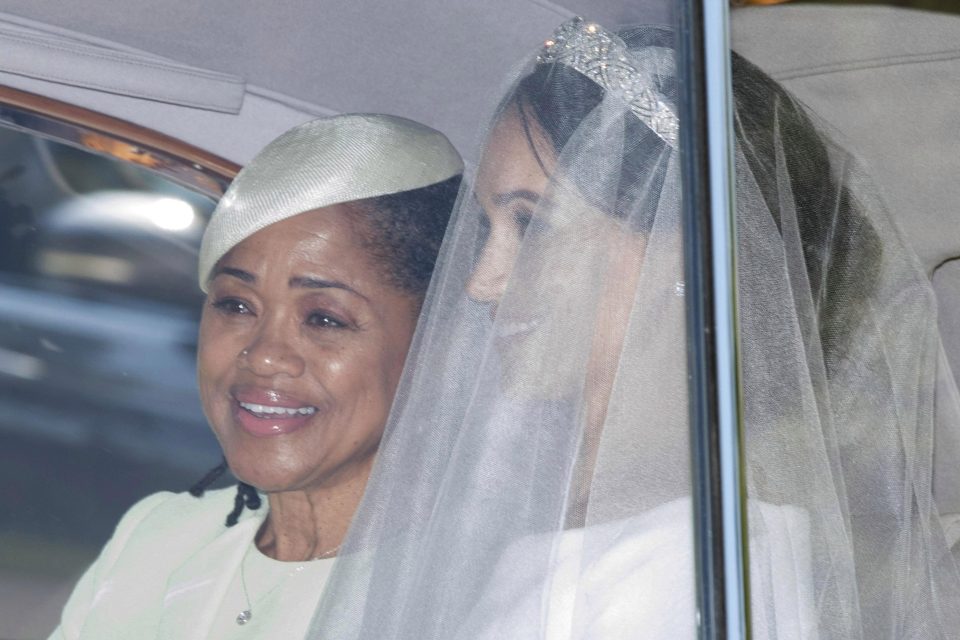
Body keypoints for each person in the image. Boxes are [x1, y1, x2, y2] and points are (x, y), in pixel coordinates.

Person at [304, 19, 960, 640]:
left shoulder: (696, 562)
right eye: (487, 229)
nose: (482, 281)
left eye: (531, 226)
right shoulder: (544, 511)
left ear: (681, 258)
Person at [48, 113, 463, 639]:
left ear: (441, 344)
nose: (264, 356)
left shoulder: (468, 593)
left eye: (324, 318)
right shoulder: (160, 537)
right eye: (237, 305)